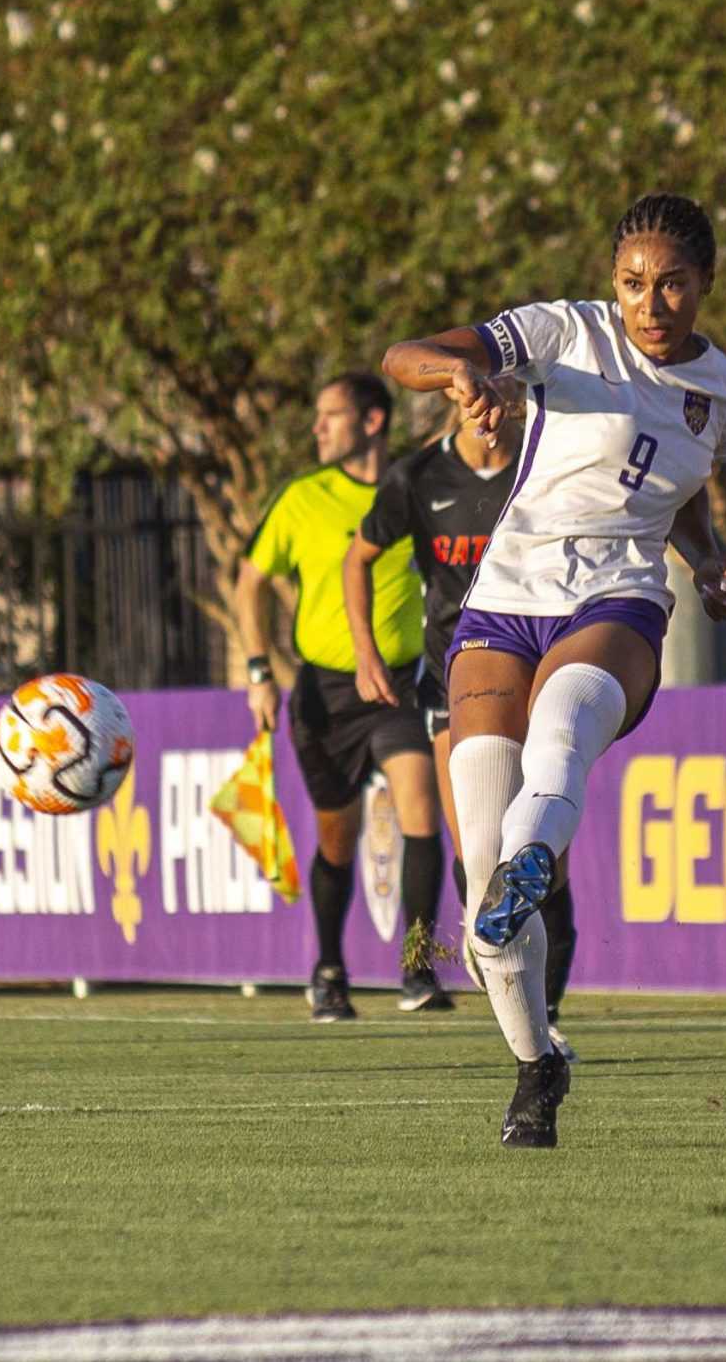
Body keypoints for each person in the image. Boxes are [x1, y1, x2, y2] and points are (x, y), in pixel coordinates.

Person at [380, 193, 726, 1147]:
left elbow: (673, 492)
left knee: (561, 732)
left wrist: (708, 562)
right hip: (507, 592)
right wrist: (463, 374)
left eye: (672, 281)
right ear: (613, 284)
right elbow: (403, 354)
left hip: (619, 596)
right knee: (481, 904)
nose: (651, 300)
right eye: (634, 282)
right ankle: (537, 1064)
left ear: (706, 283)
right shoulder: (564, 331)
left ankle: (534, 860)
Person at [342, 405, 583, 1045]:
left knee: (542, 856)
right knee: (478, 848)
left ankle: (547, 1015)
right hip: (459, 675)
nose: (490, 403)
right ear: (455, 393)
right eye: (475, 386)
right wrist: (366, 652)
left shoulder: (547, 460)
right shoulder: (419, 476)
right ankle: (497, 981)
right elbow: (357, 556)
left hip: (542, 662)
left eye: (506, 385)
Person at [235, 372, 440, 1023]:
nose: (317, 428)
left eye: (330, 415)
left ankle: (417, 964)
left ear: (373, 421)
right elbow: (249, 583)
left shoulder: (416, 487)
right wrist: (259, 671)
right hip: (325, 692)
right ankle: (328, 969)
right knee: (336, 839)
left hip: (401, 682)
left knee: (422, 809)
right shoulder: (301, 498)